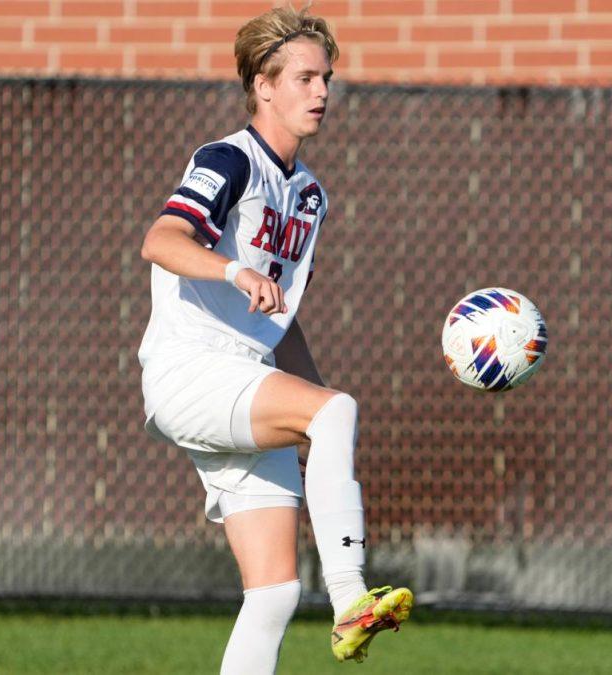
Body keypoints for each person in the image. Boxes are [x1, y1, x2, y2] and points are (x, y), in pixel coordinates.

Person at [137, 3, 412, 672]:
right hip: (192, 370)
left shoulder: (310, 195)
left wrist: (316, 400)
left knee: (274, 592)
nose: (322, 92)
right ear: (263, 85)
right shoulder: (228, 159)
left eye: (328, 78)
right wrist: (234, 268)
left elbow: (278, 322)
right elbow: (160, 239)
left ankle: (329, 599)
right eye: (305, 78)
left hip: (243, 375)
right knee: (334, 409)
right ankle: (350, 597)